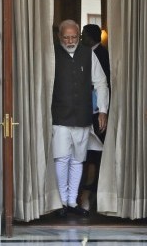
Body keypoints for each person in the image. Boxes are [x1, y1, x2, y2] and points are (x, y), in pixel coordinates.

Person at [51, 19, 109, 217]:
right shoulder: (52, 54)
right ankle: (62, 202)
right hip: (59, 116)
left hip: (83, 116)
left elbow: (101, 82)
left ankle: (72, 201)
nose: (70, 41)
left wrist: (103, 110)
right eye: (66, 37)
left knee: (78, 159)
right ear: (60, 37)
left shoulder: (88, 54)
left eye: (73, 37)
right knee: (61, 158)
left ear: (79, 36)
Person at [79, 24, 111, 211]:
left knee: (93, 154)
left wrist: (103, 111)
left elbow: (103, 83)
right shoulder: (97, 52)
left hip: (96, 111)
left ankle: (89, 194)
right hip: (88, 110)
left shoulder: (100, 54)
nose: (81, 38)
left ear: (90, 37)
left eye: (83, 35)